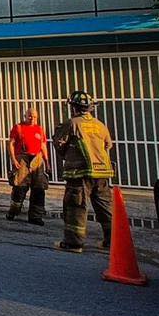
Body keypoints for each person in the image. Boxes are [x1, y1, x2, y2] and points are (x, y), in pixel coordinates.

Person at [53, 91, 115, 253]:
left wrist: (67, 154)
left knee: (76, 206)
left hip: (80, 173)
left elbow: (59, 144)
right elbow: (109, 145)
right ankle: (112, 241)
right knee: (105, 207)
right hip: (102, 173)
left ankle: (74, 243)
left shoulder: (72, 124)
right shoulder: (100, 125)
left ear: (73, 107)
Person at [6, 107, 49, 225]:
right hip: (22, 159)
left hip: (37, 160)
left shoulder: (40, 129)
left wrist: (47, 162)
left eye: (35, 117)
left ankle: (36, 216)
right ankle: (13, 211)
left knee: (39, 189)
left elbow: (43, 145)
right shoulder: (18, 127)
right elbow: (11, 143)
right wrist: (14, 159)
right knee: (20, 187)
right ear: (25, 116)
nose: (32, 119)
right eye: (30, 116)